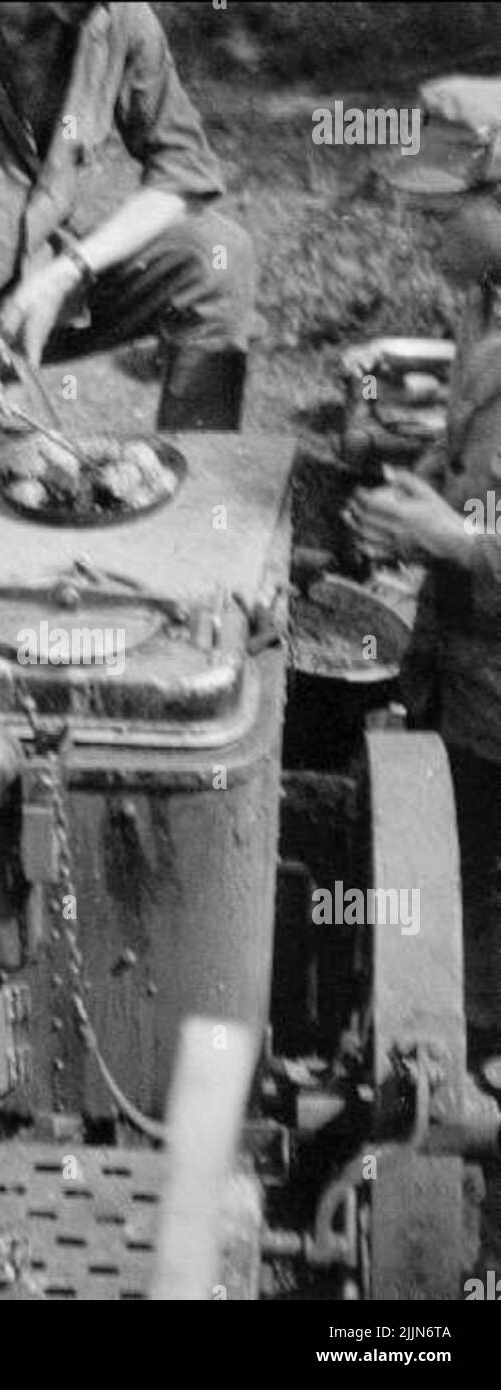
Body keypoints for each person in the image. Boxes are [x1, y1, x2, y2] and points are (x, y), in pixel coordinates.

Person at [0, 1, 255, 446]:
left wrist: (69, 270)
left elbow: (185, 170)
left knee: (218, 259)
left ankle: (198, 503)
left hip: (35, 301)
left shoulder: (118, 18)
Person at [344, 77, 501, 1058]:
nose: (424, 227)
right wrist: (418, 494)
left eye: (447, 211)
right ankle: (463, 1021)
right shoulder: (482, 311)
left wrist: (452, 540)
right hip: (466, 676)